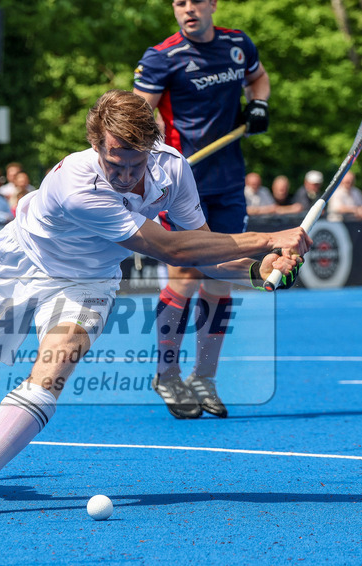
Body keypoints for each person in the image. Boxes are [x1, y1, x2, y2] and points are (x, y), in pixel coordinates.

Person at [0, 90, 308, 517]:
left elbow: (204, 251)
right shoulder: (77, 184)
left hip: (89, 281)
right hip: (22, 264)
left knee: (56, 366)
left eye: (135, 164)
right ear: (95, 145)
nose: (124, 176)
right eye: (114, 163)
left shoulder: (174, 169)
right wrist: (267, 239)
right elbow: (173, 249)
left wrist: (257, 270)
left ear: (151, 148)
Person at [134, 0, 271, 420]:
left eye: (196, 1)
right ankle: (167, 375)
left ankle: (204, 377)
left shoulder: (237, 45)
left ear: (212, 4)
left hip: (228, 181)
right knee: (186, 275)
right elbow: (139, 114)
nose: (188, 9)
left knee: (222, 278)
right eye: (179, 2)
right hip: (181, 183)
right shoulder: (161, 57)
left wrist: (259, 104)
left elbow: (258, 78)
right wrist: (155, 144)